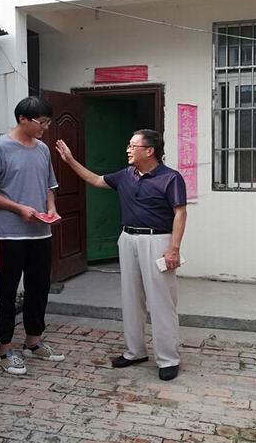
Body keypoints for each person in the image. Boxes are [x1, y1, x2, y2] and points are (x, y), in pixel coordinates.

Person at [56, 129, 186, 381]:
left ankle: (168, 358)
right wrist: (70, 160)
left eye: (133, 146)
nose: (128, 149)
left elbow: (180, 213)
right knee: (131, 297)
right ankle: (135, 352)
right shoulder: (126, 175)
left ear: (149, 151)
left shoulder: (170, 178)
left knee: (162, 301)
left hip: (157, 240)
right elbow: (96, 180)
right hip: (128, 239)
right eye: (129, 145)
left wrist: (174, 248)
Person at [0, 96, 65, 375]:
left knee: (39, 288)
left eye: (48, 123)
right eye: (41, 122)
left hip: (40, 233)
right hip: (7, 235)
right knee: (7, 291)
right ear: (22, 119)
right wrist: (18, 208)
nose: (45, 128)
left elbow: (49, 186)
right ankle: (5, 349)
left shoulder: (42, 149)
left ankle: (33, 342)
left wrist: (51, 208)